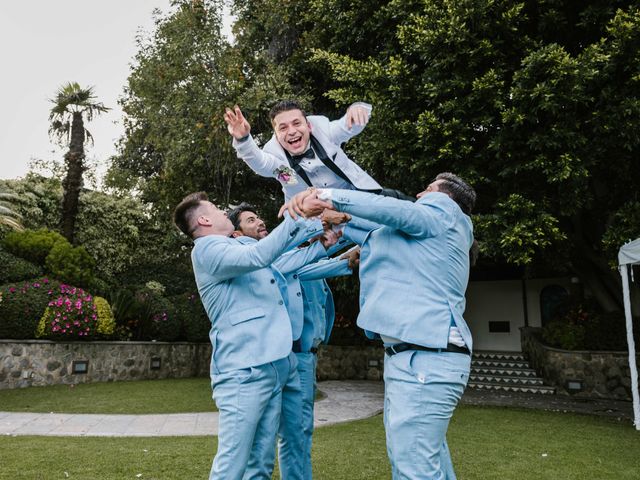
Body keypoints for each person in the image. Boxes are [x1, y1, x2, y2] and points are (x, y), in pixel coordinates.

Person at [285, 173, 476, 480]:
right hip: (415, 357)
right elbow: (374, 229)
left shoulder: (446, 212)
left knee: (414, 468)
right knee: (425, 464)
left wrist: (323, 194)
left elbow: (391, 209)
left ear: (447, 198)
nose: (418, 193)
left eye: (427, 189)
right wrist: (334, 219)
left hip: (426, 357)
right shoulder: (422, 237)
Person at [173, 192, 323, 480]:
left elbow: (273, 253)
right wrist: (297, 214)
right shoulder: (206, 249)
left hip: (270, 365)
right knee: (232, 465)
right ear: (204, 220)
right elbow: (258, 254)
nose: (222, 213)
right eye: (216, 208)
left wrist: (320, 232)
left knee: (260, 463)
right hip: (243, 372)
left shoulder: (231, 247)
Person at [228, 202, 357, 479]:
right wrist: (323, 226)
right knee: (265, 442)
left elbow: (310, 260)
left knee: (297, 432)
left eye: (259, 216)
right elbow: (300, 259)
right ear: (237, 234)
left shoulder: (282, 254)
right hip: (280, 357)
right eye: (251, 220)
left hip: (301, 356)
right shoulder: (255, 259)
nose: (260, 222)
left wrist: (346, 239)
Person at [223, 100, 382, 201]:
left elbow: (348, 126)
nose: (291, 131)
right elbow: (260, 162)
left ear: (309, 126)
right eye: (283, 128)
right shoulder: (280, 161)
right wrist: (243, 139)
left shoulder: (325, 132)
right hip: (317, 220)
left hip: (359, 197)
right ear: (276, 136)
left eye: (296, 123)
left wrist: (358, 108)